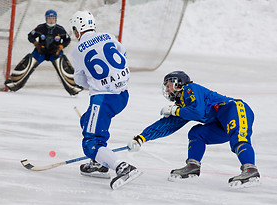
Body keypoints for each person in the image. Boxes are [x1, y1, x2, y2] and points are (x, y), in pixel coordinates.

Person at [128, 71, 260, 188]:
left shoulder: (190, 89)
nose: (167, 90)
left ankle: (250, 170)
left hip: (234, 110)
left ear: (178, 83)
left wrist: (176, 110)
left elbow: (197, 112)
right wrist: (142, 137)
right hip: (220, 123)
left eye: (168, 86)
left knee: (239, 138)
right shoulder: (183, 106)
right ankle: (193, 166)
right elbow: (169, 124)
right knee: (197, 133)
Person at [69, 10, 142, 190]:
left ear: (78, 29)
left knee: (91, 142)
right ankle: (101, 162)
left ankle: (122, 167)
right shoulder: (108, 36)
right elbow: (123, 54)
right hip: (123, 95)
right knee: (86, 121)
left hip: (103, 99)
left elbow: (79, 80)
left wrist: (97, 83)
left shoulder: (77, 50)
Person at [5, 9, 83, 95]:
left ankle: (74, 87)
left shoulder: (60, 29)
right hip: (41, 52)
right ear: (46, 19)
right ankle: (13, 83)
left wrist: (61, 47)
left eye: (53, 18)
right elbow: (30, 36)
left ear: (56, 19)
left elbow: (67, 39)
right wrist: (36, 44)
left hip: (55, 52)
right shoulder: (40, 28)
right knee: (28, 62)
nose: (51, 20)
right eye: (49, 18)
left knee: (64, 65)